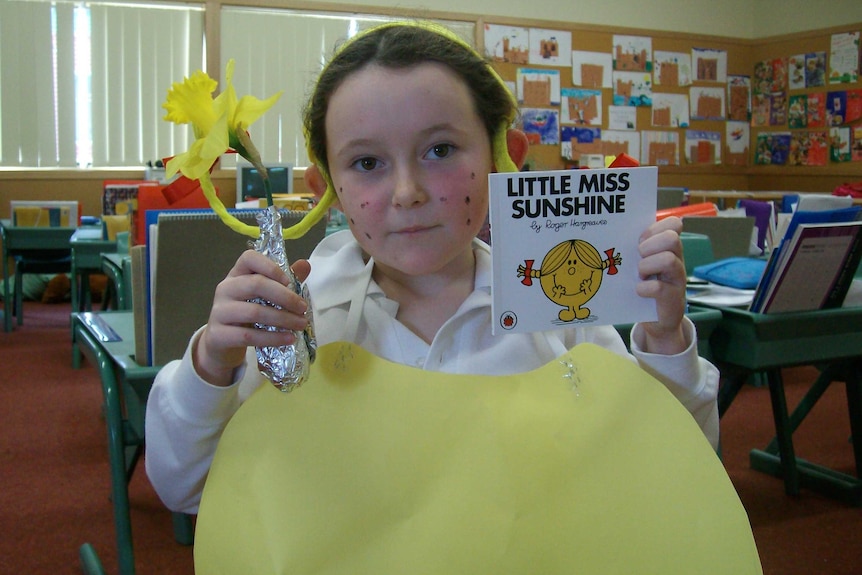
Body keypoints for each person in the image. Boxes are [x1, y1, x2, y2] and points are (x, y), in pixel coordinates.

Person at [145, 21, 720, 516]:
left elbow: (669, 471)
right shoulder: (302, 316)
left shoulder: (557, 311)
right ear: (330, 190)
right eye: (367, 162)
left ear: (502, 158)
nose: (407, 192)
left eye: (440, 150)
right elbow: (185, 486)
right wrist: (211, 363)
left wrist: (666, 339)